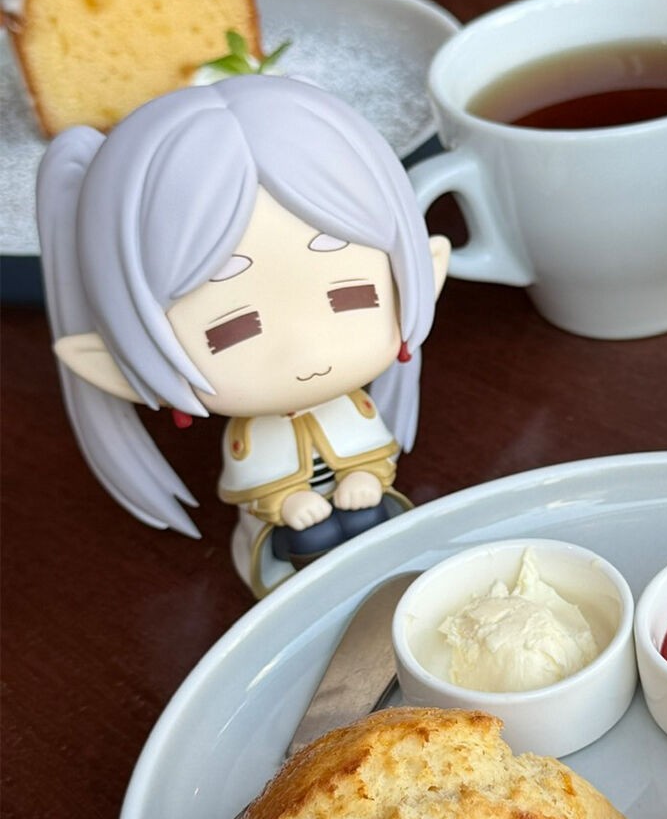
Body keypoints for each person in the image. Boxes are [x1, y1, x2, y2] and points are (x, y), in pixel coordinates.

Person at [38, 75, 448, 589]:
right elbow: (255, 484)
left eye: (350, 295)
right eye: (230, 330)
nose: (304, 348)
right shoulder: (250, 438)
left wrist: (367, 476)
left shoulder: (358, 409)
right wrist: (286, 503)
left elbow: (373, 453)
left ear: (425, 267)